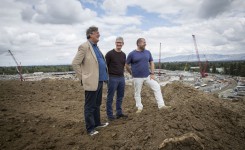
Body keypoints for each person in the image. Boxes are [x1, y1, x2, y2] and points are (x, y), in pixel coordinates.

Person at [72, 26, 109, 136]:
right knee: (90, 106)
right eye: (97, 33)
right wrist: (83, 78)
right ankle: (90, 128)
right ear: (90, 35)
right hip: (91, 81)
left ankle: (97, 123)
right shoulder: (84, 47)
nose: (99, 34)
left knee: (97, 104)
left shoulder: (96, 47)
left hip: (100, 80)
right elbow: (75, 63)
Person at [125, 38, 170, 113]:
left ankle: (161, 105)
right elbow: (126, 65)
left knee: (157, 86)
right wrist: (131, 73)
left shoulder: (148, 52)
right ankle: (139, 107)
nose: (145, 44)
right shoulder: (132, 54)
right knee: (137, 92)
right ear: (138, 44)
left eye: (145, 42)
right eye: (143, 42)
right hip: (137, 77)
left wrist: (152, 73)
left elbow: (151, 62)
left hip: (147, 76)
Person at [105, 37, 128, 121]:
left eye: (120, 43)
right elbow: (105, 66)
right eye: (117, 42)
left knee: (120, 96)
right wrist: (106, 77)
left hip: (121, 78)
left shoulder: (123, 54)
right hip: (112, 78)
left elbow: (123, 66)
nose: (119, 44)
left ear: (123, 44)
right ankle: (110, 115)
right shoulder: (109, 54)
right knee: (110, 97)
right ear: (115, 43)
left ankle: (119, 113)